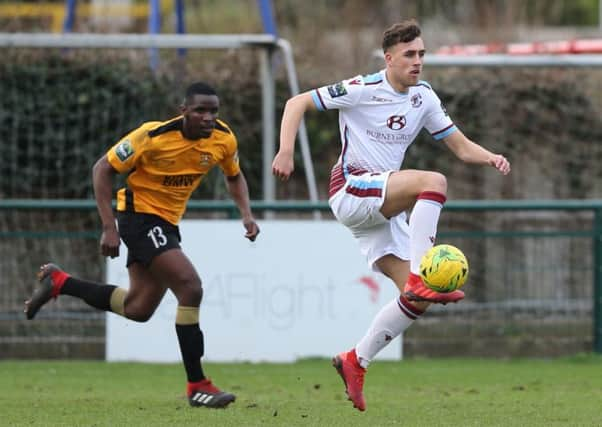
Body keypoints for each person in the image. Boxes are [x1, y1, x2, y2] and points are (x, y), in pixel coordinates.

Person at [272, 20, 510, 412]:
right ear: (389, 58)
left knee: (415, 300)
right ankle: (423, 271)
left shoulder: (424, 98)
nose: (418, 62)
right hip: (352, 189)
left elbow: (461, 146)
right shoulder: (363, 88)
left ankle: (356, 360)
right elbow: (295, 102)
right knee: (433, 181)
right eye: (410, 55)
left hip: (380, 205)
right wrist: (285, 151)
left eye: (421, 54)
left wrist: (491, 157)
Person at [25, 81, 260, 409]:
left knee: (138, 308)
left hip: (167, 223)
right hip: (139, 218)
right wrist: (110, 227)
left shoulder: (224, 138)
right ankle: (198, 385)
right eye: (200, 110)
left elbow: (234, 176)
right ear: (183, 111)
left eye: (213, 111)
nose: (208, 117)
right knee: (190, 287)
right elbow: (102, 168)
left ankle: (61, 283)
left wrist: (246, 215)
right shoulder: (152, 136)